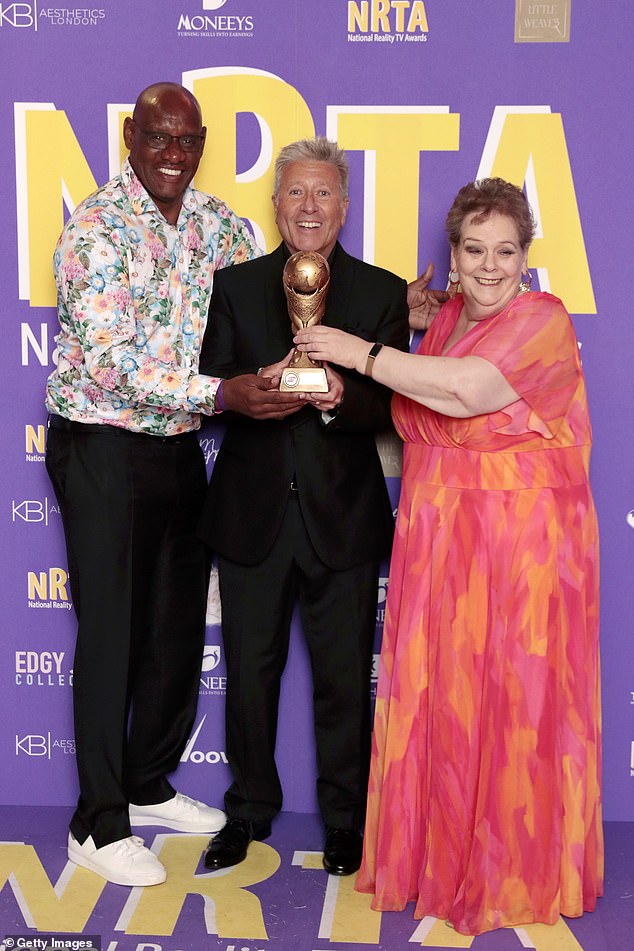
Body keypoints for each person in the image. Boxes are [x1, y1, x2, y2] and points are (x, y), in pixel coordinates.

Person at [295, 178, 603, 933]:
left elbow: (465, 393)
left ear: (526, 257)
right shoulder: (450, 320)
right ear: (453, 256)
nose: (490, 266)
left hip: (520, 558)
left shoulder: (543, 321)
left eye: (506, 250)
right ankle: (446, 853)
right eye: (474, 250)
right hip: (444, 553)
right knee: (451, 708)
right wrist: (404, 320)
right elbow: (425, 395)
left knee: (512, 706)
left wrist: (359, 349)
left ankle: (512, 867)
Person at [45, 82, 266, 887]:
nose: (172, 154)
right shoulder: (96, 230)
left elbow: (280, 296)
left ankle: (145, 783)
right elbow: (110, 362)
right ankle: (95, 824)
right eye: (157, 138)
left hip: (177, 443)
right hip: (101, 441)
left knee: (173, 628)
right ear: (131, 138)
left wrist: (390, 308)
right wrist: (221, 394)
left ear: (201, 143)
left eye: (187, 140)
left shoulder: (220, 226)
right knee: (112, 633)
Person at [198, 137, 410, 876]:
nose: (309, 207)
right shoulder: (234, 285)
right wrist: (256, 383)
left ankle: (347, 822)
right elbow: (213, 386)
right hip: (252, 517)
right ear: (277, 203)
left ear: (344, 207)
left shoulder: (381, 293)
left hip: (341, 519)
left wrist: (340, 396)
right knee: (249, 676)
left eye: (323, 194)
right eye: (296, 193)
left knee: (345, 679)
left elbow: (390, 404)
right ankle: (248, 810)